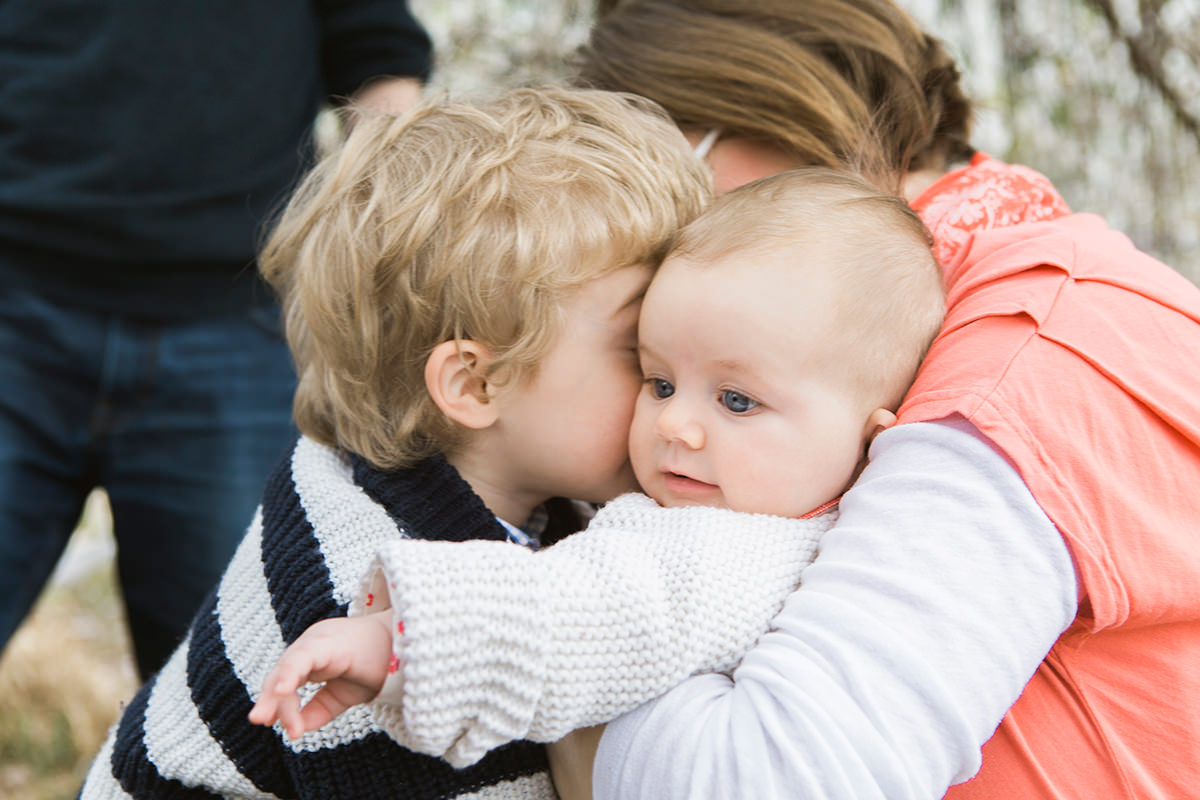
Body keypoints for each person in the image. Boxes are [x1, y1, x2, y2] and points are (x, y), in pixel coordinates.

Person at [269, 1, 1200, 798]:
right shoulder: (939, 311)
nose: (666, 228)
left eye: (672, 174)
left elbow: (764, 780)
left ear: (764, 112)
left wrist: (580, 658)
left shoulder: (1023, 353)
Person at [77, 86, 711, 800]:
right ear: (474, 384)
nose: (677, 392)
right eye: (641, 352)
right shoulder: (361, 608)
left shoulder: (498, 487)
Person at [248, 167, 947, 798]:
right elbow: (581, 606)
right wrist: (401, 641)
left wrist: (399, 641)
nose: (677, 425)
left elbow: (584, 610)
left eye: (737, 401)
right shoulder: (729, 534)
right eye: (659, 381)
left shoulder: (739, 544)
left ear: (869, 439)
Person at [0, 0, 432, 680]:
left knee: (232, 695)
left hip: (237, 328)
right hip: (17, 297)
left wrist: (399, 239)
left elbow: (374, 47)